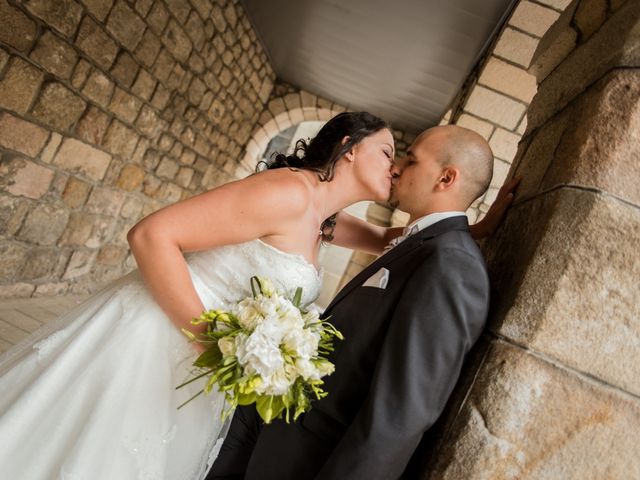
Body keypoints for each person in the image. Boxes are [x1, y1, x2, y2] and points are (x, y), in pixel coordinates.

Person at [0, 111, 511, 479]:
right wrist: (213, 344)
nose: (395, 166)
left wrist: (474, 225)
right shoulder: (287, 192)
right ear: (349, 149)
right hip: (160, 336)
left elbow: (398, 241)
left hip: (204, 373)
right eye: (387, 152)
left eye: (403, 159)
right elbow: (150, 236)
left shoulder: (324, 219)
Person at [207, 124, 503, 479]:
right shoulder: (424, 244)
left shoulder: (453, 265)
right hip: (264, 428)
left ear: (446, 178)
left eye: (411, 159)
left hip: (302, 459)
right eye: (391, 155)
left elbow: (399, 415)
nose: (396, 167)